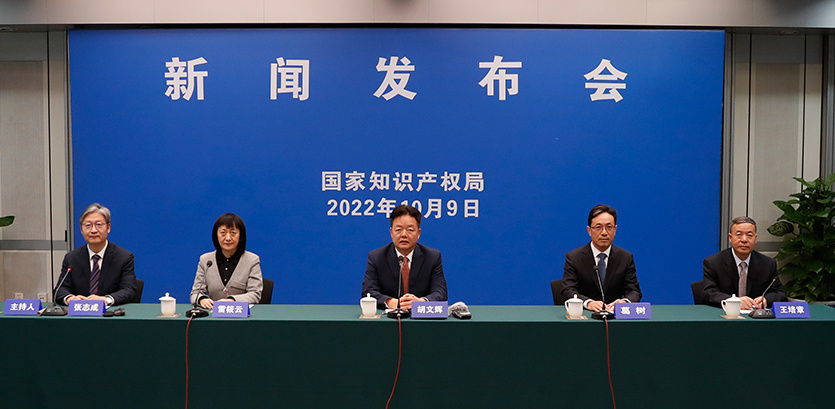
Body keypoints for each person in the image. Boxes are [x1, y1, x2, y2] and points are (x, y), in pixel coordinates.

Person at [362, 204, 448, 310]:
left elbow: (440, 293)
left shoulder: (432, 257)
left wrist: (421, 302)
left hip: (421, 317)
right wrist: (391, 302)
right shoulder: (377, 257)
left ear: (418, 233)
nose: (404, 234)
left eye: (410, 230)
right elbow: (368, 292)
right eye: (398, 230)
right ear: (391, 232)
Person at [561, 204, 642, 312]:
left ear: (615, 230)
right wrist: (588, 303)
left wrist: (625, 302)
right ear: (589, 230)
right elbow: (568, 290)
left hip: (614, 316)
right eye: (598, 227)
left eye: (609, 227)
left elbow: (634, 292)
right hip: (586, 315)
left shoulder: (625, 257)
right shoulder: (574, 257)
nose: (604, 233)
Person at [56, 203, 137, 306]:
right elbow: (60, 289)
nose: (93, 230)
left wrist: (106, 300)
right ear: (81, 229)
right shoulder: (72, 258)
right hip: (81, 313)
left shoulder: (124, 257)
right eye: (88, 226)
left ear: (108, 227)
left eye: (99, 225)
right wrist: (70, 298)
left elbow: (129, 290)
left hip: (111, 314)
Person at [703, 216, 786, 309]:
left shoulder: (768, 264)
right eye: (739, 234)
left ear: (755, 239)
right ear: (730, 238)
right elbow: (708, 293)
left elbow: (780, 293)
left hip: (755, 315)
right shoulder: (713, 263)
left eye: (749, 235)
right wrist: (734, 301)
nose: (744, 240)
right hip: (725, 314)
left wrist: (766, 300)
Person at [190, 213, 263, 307]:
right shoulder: (206, 260)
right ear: (216, 235)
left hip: (241, 313)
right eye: (223, 233)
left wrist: (232, 300)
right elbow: (195, 293)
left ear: (240, 236)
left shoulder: (252, 260)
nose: (228, 238)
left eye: (233, 233)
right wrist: (202, 299)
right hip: (213, 314)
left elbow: (255, 294)